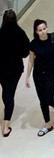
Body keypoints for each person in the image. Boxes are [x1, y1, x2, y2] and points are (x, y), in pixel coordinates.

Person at [25, 19, 54, 136]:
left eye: (44, 29)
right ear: (36, 32)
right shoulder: (33, 44)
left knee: (48, 98)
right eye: (40, 30)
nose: (42, 32)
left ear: (47, 28)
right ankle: (48, 124)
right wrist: (27, 77)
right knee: (42, 100)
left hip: (51, 74)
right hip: (38, 75)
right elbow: (31, 61)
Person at [0, 9, 30, 137]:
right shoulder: (20, 33)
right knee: (9, 94)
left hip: (0, 69)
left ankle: (5, 119)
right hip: (14, 69)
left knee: (5, 92)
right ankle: (6, 125)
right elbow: (25, 53)